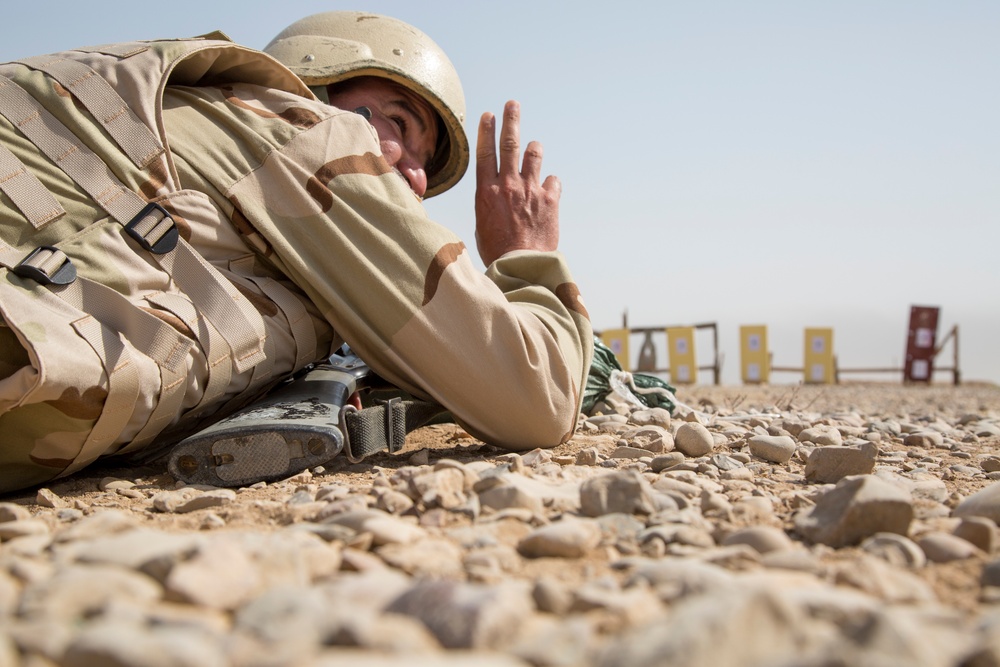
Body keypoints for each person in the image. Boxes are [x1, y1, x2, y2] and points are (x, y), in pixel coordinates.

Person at [0, 11, 593, 494]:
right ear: (321, 86)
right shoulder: (308, 129)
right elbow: (536, 399)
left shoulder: (175, 121)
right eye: (399, 122)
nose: (414, 177)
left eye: (424, 167)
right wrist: (523, 254)